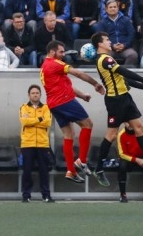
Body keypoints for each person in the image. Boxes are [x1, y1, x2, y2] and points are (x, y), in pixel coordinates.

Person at [89, 31, 143, 186]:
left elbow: (123, 79)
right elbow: (123, 71)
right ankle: (98, 169)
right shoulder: (104, 59)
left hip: (125, 98)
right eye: (107, 40)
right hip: (115, 101)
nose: (110, 42)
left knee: (139, 128)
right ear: (99, 44)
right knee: (111, 134)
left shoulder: (108, 59)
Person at [40, 40, 105, 183]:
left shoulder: (45, 66)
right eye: (61, 52)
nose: (63, 55)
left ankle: (71, 170)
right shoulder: (55, 63)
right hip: (64, 101)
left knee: (69, 134)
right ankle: (81, 160)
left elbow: (64, 85)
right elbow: (77, 73)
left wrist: (82, 96)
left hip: (54, 104)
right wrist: (95, 83)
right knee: (88, 124)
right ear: (52, 52)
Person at [19, 84, 54, 203]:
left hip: (43, 144)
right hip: (27, 144)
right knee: (27, 170)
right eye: (33, 93)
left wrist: (33, 121)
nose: (35, 95)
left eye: (37, 93)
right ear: (29, 95)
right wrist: (39, 119)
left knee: (44, 171)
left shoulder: (46, 108)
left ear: (40, 95)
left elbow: (48, 122)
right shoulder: (23, 107)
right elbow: (25, 121)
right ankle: (26, 195)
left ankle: (46, 195)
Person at [117, 123, 143, 203]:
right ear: (125, 123)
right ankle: (123, 195)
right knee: (122, 166)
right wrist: (137, 160)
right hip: (130, 159)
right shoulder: (121, 134)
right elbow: (122, 154)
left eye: (131, 121)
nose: (130, 124)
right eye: (127, 122)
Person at [96, 0, 138, 65]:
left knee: (133, 55)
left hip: (125, 48)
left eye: (115, 7)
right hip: (109, 49)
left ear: (118, 8)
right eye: (110, 7)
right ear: (106, 9)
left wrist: (124, 45)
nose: (113, 9)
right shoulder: (102, 23)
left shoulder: (126, 20)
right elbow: (100, 37)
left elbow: (131, 34)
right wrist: (112, 46)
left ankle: (125, 72)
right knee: (104, 56)